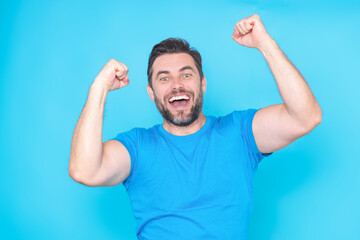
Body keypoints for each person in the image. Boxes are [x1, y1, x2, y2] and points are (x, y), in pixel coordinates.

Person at [69, 14, 322, 240]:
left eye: (186, 74)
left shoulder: (240, 132)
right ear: (151, 93)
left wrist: (265, 44)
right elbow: (84, 170)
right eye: (164, 78)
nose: (176, 85)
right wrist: (99, 88)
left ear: (202, 84)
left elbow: (305, 117)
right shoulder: (136, 147)